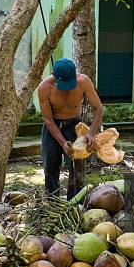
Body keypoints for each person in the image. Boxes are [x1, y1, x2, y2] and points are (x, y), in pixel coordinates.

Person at [37, 58, 103, 199]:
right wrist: (62, 142)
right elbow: (48, 119)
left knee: (77, 165)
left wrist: (91, 133)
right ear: (54, 76)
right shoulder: (44, 88)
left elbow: (98, 108)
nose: (67, 88)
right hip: (53, 126)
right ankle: (52, 201)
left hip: (74, 125)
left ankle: (75, 202)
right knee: (50, 165)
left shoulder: (83, 82)